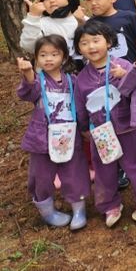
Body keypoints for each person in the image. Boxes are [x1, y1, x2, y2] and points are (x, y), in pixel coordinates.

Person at [73, 20, 136, 228]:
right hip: (101, 132)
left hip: (128, 128)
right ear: (78, 49)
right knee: (104, 170)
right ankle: (109, 205)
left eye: (96, 40)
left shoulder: (124, 66)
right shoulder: (82, 79)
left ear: (109, 42)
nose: (91, 47)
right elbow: (80, 105)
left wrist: (126, 75)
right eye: (84, 43)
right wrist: (83, 128)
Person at [16, 35, 89, 230]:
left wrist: (84, 128)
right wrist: (28, 74)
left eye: (54, 54)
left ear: (64, 57)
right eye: (43, 55)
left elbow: (81, 106)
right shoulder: (38, 82)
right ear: (36, 58)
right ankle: (48, 212)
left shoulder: (72, 80)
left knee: (75, 171)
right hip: (42, 139)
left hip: (70, 136)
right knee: (41, 174)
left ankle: (79, 209)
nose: (48, 59)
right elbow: (26, 92)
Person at [21, 0, 86, 58]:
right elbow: (29, 47)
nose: (51, 0)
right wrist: (33, 17)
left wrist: (82, 22)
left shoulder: (82, 19)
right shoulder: (40, 23)